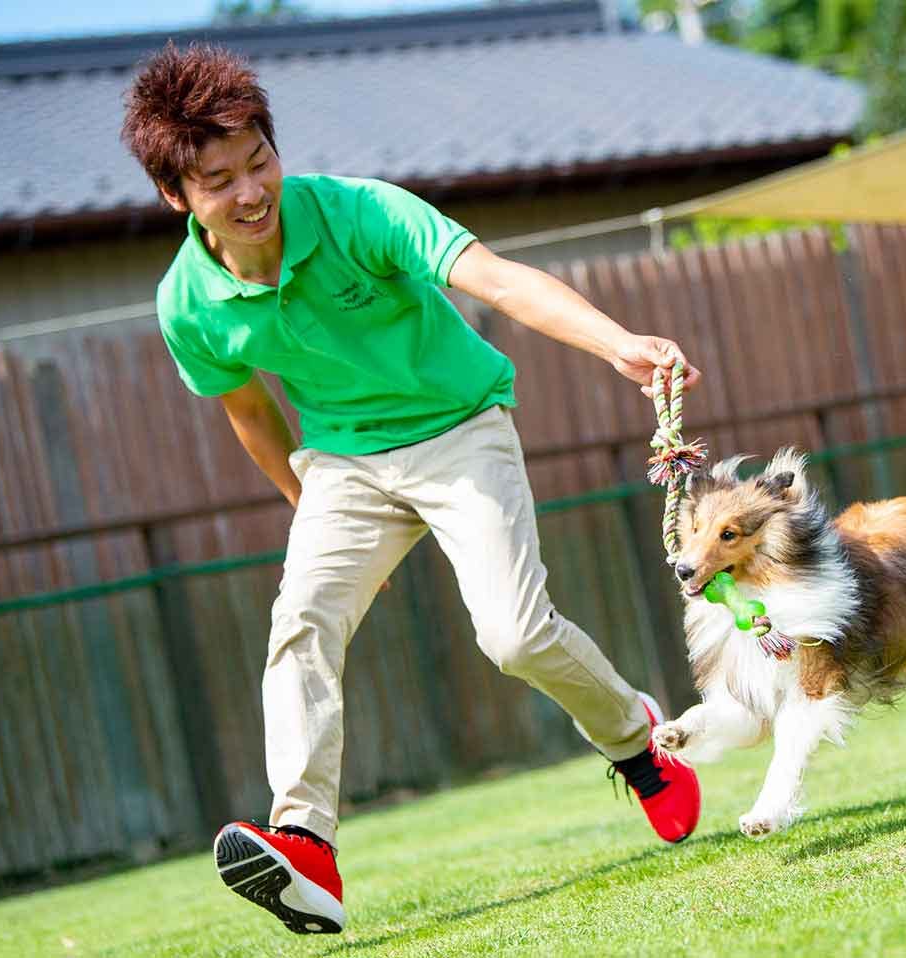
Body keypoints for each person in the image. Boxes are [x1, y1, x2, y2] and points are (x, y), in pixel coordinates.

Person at [121, 42, 701, 935]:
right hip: (345, 468)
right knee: (302, 618)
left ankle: (635, 740)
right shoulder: (187, 303)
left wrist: (615, 342)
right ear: (177, 196)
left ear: (276, 148)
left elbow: (499, 282)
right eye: (218, 181)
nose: (249, 194)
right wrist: (308, 511)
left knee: (512, 635)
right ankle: (305, 841)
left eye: (259, 162)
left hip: (459, 431)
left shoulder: (360, 213)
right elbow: (249, 412)